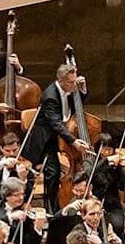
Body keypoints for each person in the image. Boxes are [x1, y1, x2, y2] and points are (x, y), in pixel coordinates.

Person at [23, 63, 93, 211]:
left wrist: (82, 90)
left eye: (75, 81)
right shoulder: (50, 96)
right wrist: (73, 141)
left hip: (57, 138)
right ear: (61, 81)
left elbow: (75, 107)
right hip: (43, 140)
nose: (74, 84)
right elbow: (56, 123)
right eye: (71, 82)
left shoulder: (68, 89)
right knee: (41, 174)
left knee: (54, 173)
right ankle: (38, 208)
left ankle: (53, 209)